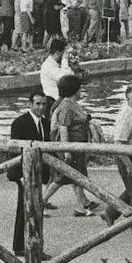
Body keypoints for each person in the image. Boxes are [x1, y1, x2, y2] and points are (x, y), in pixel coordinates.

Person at [45, 74, 100, 217]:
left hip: (77, 146)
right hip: (71, 148)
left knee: (76, 174)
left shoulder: (72, 104)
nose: (81, 90)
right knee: (65, 177)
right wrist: (67, 149)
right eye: (80, 88)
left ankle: (83, 203)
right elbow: (63, 128)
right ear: (75, 90)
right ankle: (40, 201)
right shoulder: (66, 106)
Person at [102, 83, 132, 236]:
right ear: (128, 99)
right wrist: (129, 164)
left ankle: (110, 213)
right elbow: (118, 143)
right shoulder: (125, 116)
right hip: (129, 158)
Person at [8, 91, 52, 259]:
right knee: (24, 209)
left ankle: (34, 245)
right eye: (37, 104)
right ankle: (20, 246)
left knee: (37, 209)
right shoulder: (19, 123)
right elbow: (15, 150)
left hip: (38, 173)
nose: (41, 107)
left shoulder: (45, 123)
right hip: (23, 173)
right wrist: (19, 175)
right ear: (30, 104)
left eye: (43, 104)